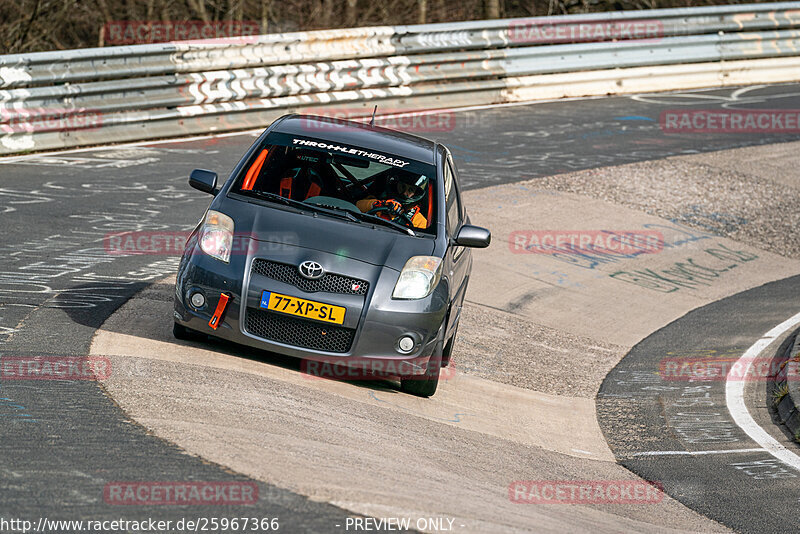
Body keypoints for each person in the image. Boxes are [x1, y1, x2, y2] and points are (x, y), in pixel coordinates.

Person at [356, 170, 429, 229]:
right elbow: (357, 206)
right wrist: (381, 204)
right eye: (402, 186)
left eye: (410, 190)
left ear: (416, 193)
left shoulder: (418, 220)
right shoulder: (378, 201)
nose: (404, 193)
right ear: (396, 184)